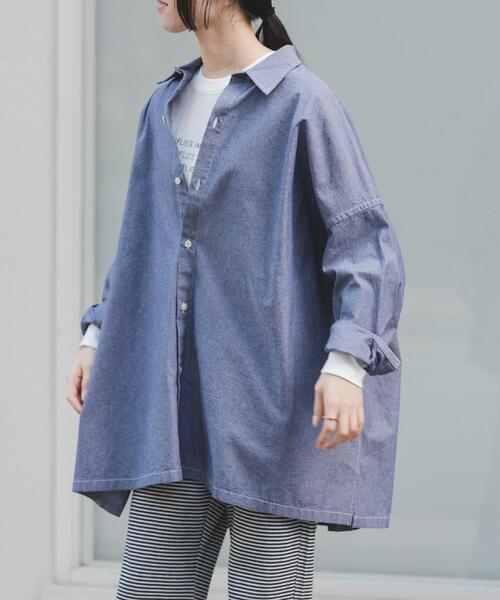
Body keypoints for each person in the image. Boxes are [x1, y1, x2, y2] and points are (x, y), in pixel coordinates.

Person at [66, 1, 406, 598]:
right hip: (173, 421)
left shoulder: (303, 103)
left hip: (272, 417)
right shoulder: (164, 105)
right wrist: (100, 333)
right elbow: (144, 240)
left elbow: (364, 245)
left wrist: (347, 364)